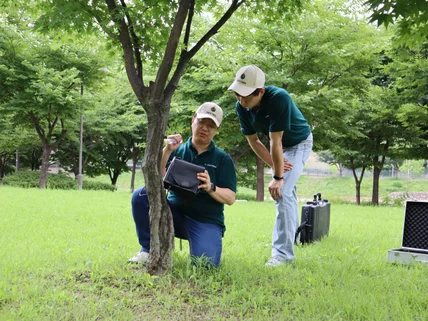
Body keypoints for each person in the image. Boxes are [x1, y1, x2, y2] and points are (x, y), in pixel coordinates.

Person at [129, 102, 237, 267]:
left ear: (216, 130)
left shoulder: (222, 159)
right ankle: (148, 250)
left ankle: (203, 244)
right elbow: (158, 178)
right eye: (201, 122)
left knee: (205, 266)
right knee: (141, 195)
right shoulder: (177, 150)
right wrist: (167, 151)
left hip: (205, 220)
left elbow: (230, 198)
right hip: (174, 214)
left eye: (211, 126)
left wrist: (211, 187)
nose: (205, 128)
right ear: (193, 121)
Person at [228, 65, 313, 266]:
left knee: (281, 192)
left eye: (247, 95)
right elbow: (254, 141)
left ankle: (282, 256)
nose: (241, 100)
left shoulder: (278, 98)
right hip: (279, 148)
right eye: (238, 94)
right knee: (288, 194)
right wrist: (277, 165)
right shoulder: (241, 107)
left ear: (261, 92)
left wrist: (278, 176)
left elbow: (276, 141)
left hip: (299, 143)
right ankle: (289, 244)